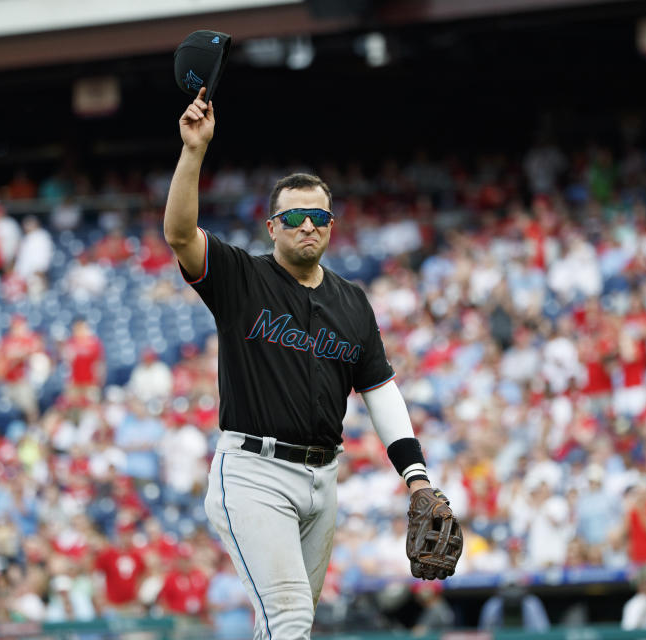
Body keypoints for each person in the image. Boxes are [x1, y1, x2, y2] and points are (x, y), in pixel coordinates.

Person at [163, 87, 462, 640]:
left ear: (331, 225)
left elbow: (380, 390)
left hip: (324, 477)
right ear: (272, 227)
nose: (308, 225)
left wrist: (416, 476)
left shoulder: (352, 301)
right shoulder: (241, 278)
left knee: (282, 626)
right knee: (290, 617)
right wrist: (193, 152)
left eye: (318, 216)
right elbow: (180, 234)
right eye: (294, 216)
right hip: (254, 472)